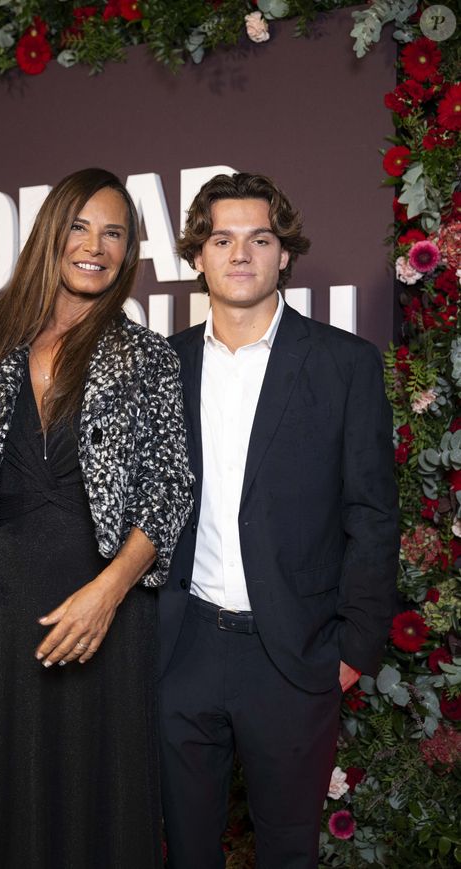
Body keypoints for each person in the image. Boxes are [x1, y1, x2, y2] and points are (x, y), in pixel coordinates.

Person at [0, 168, 193, 869]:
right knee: (5, 798)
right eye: (80, 226)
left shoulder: (147, 357)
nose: (95, 245)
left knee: (100, 799)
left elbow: (170, 490)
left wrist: (108, 593)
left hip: (106, 614)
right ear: (50, 234)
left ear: (130, 250)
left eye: (114, 232)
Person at [158, 172, 399, 869]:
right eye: (222, 238)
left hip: (294, 656)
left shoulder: (344, 365)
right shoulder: (162, 369)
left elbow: (373, 515)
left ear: (283, 252)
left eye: (258, 238)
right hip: (183, 650)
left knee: (289, 850)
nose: (240, 254)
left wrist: (352, 652)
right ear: (198, 256)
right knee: (185, 851)